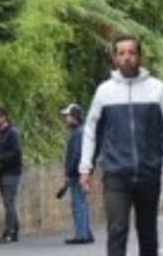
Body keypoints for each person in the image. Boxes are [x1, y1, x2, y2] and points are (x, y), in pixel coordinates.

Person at [80, 35, 163, 256]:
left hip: (149, 173)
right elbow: (91, 131)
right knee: (117, 230)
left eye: (132, 52)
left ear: (140, 56)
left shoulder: (157, 89)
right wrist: (85, 167)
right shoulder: (104, 91)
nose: (127, 57)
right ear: (114, 58)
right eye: (121, 53)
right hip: (116, 174)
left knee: (148, 232)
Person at [0, 107, 24, 243]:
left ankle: (8, 232)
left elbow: (16, 153)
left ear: (4, 118)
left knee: (9, 201)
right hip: (0, 171)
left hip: (12, 172)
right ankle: (14, 230)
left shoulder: (12, 133)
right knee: (8, 202)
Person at [60, 103, 93, 246]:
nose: (66, 119)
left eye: (68, 116)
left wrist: (69, 172)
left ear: (75, 116)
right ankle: (86, 234)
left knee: (78, 204)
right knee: (82, 203)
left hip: (77, 173)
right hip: (82, 171)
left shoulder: (78, 133)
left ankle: (81, 235)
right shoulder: (82, 131)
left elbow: (76, 154)